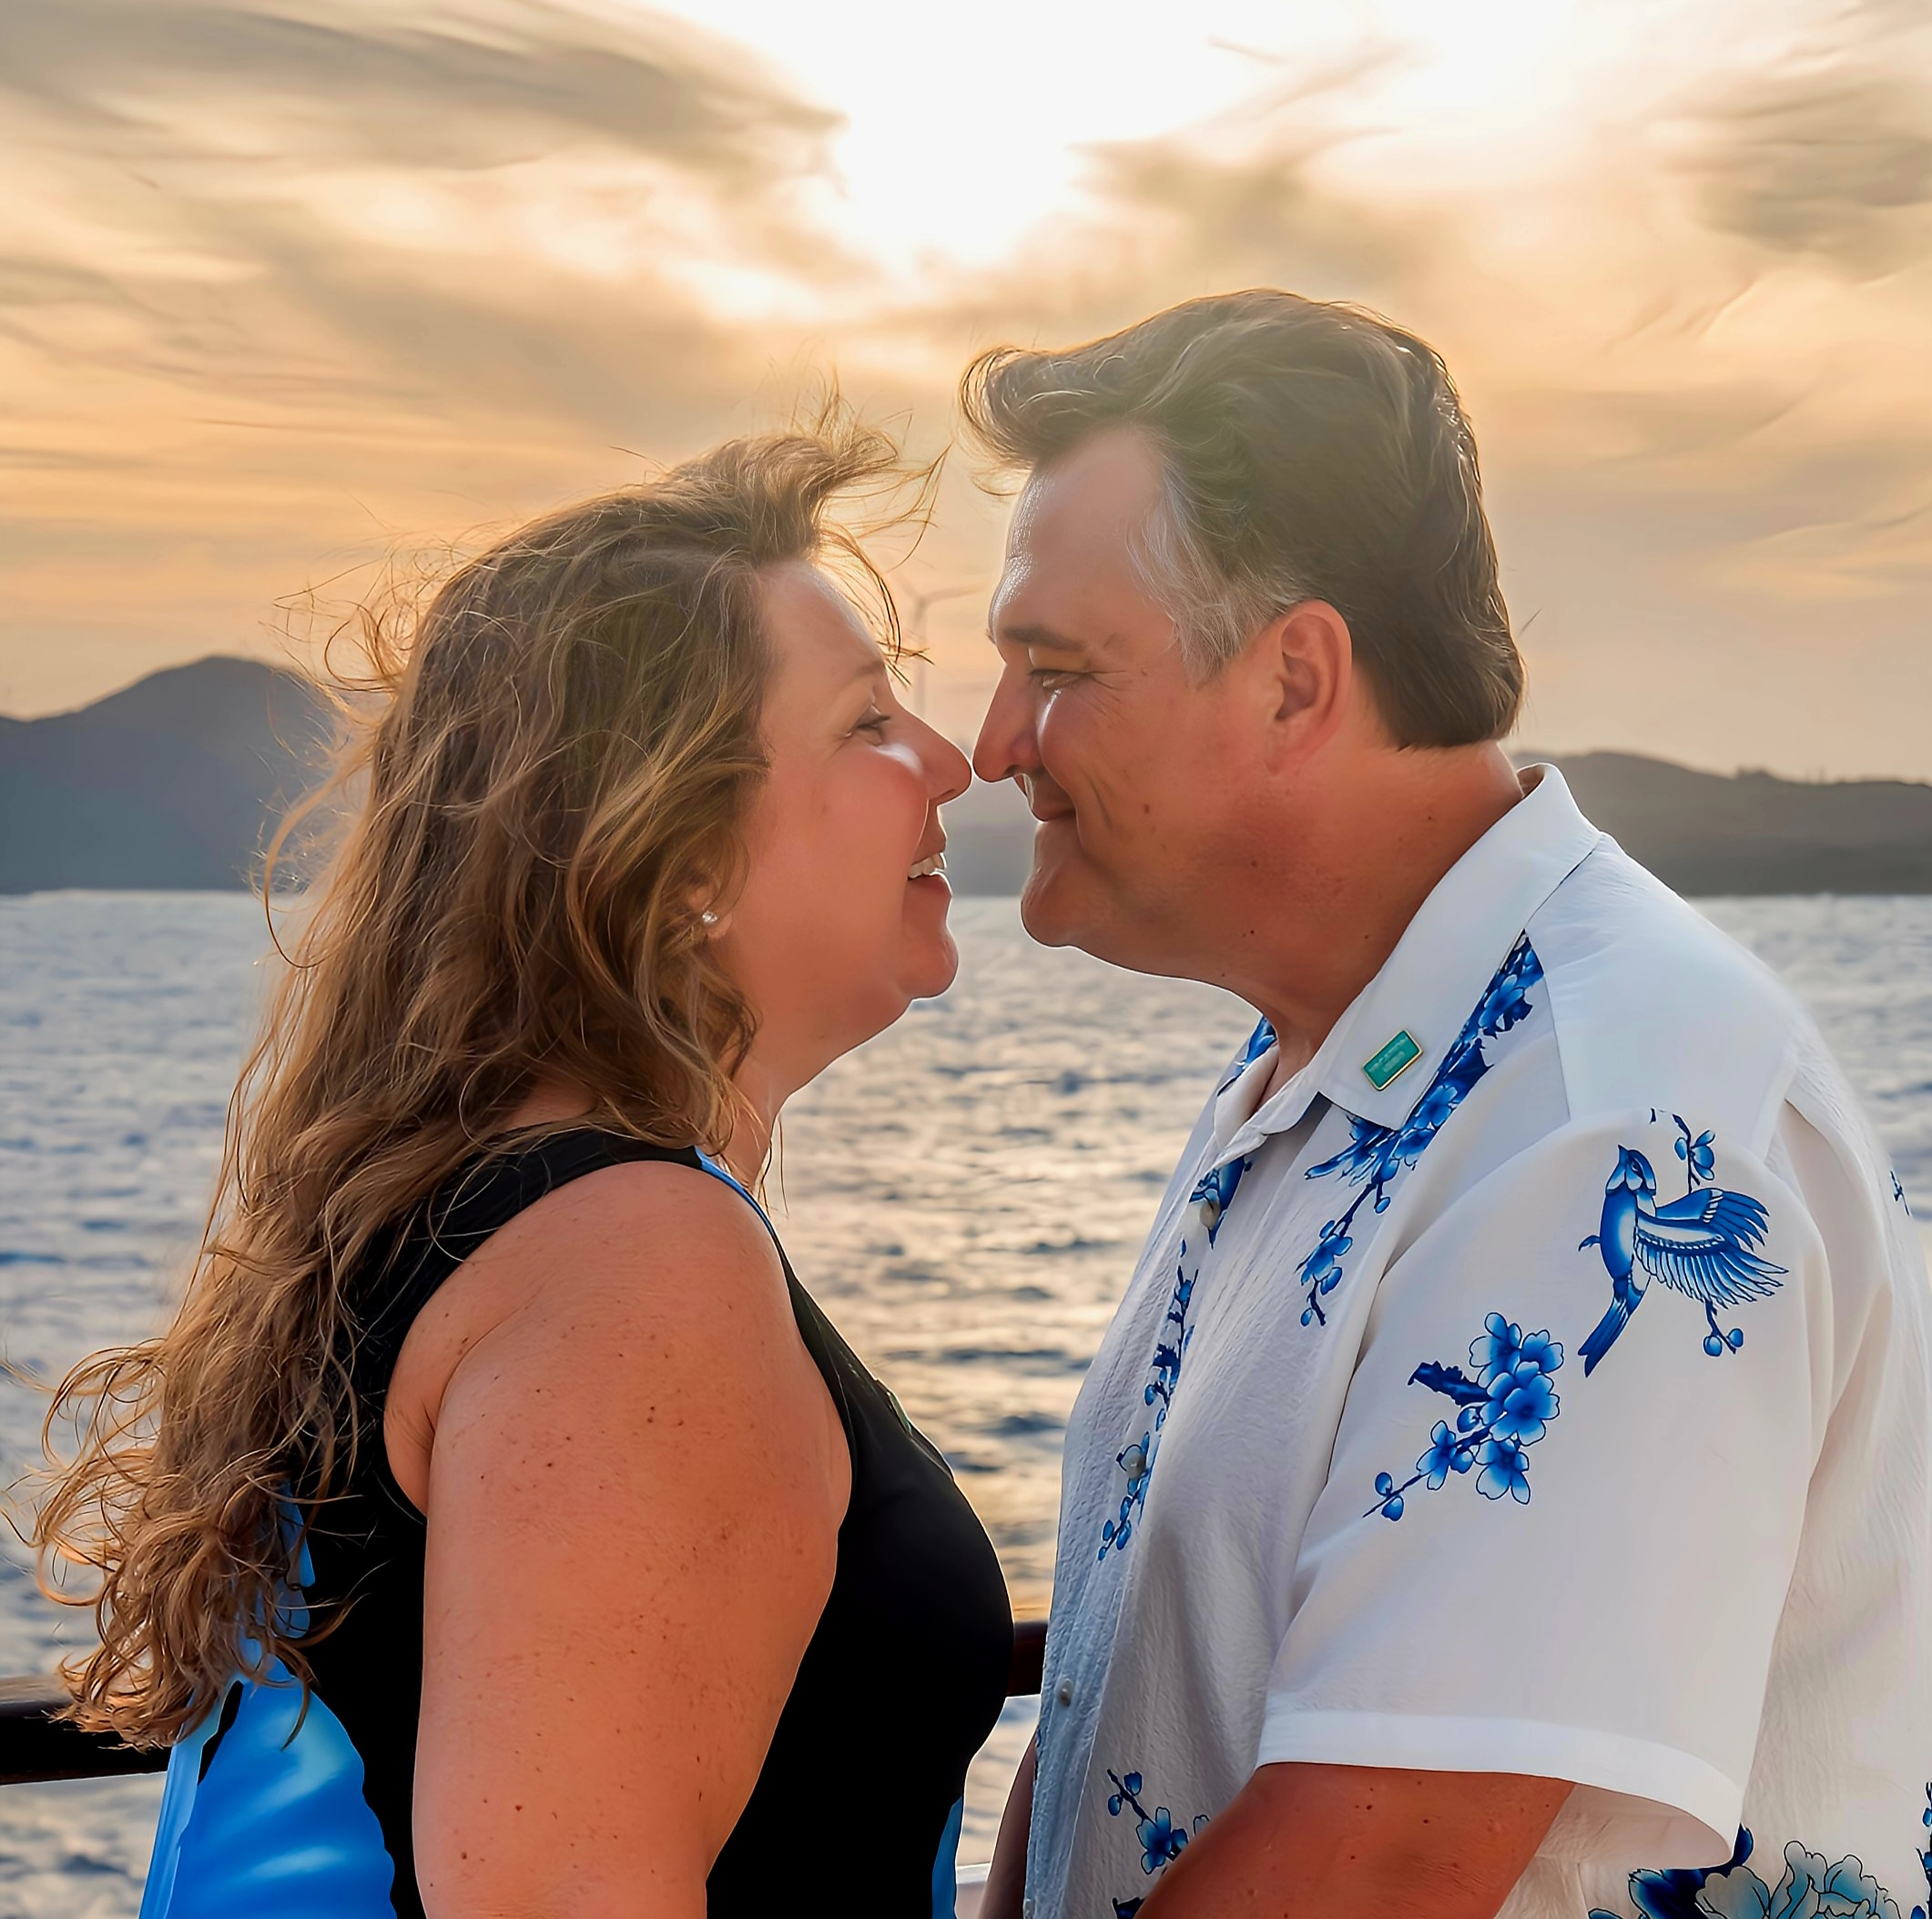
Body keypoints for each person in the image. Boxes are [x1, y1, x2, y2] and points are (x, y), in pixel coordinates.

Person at [964, 291, 1932, 1919]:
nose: (993, 745)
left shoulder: (1609, 1119)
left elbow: (1375, 1869)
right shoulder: (1334, 1065)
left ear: (1293, 680)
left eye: (1055, 672)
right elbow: (1108, 1717)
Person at [36, 422, 1012, 1919]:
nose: (952, 760)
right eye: (869, 720)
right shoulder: (634, 1262)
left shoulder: (498, 1213)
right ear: (679, 858)